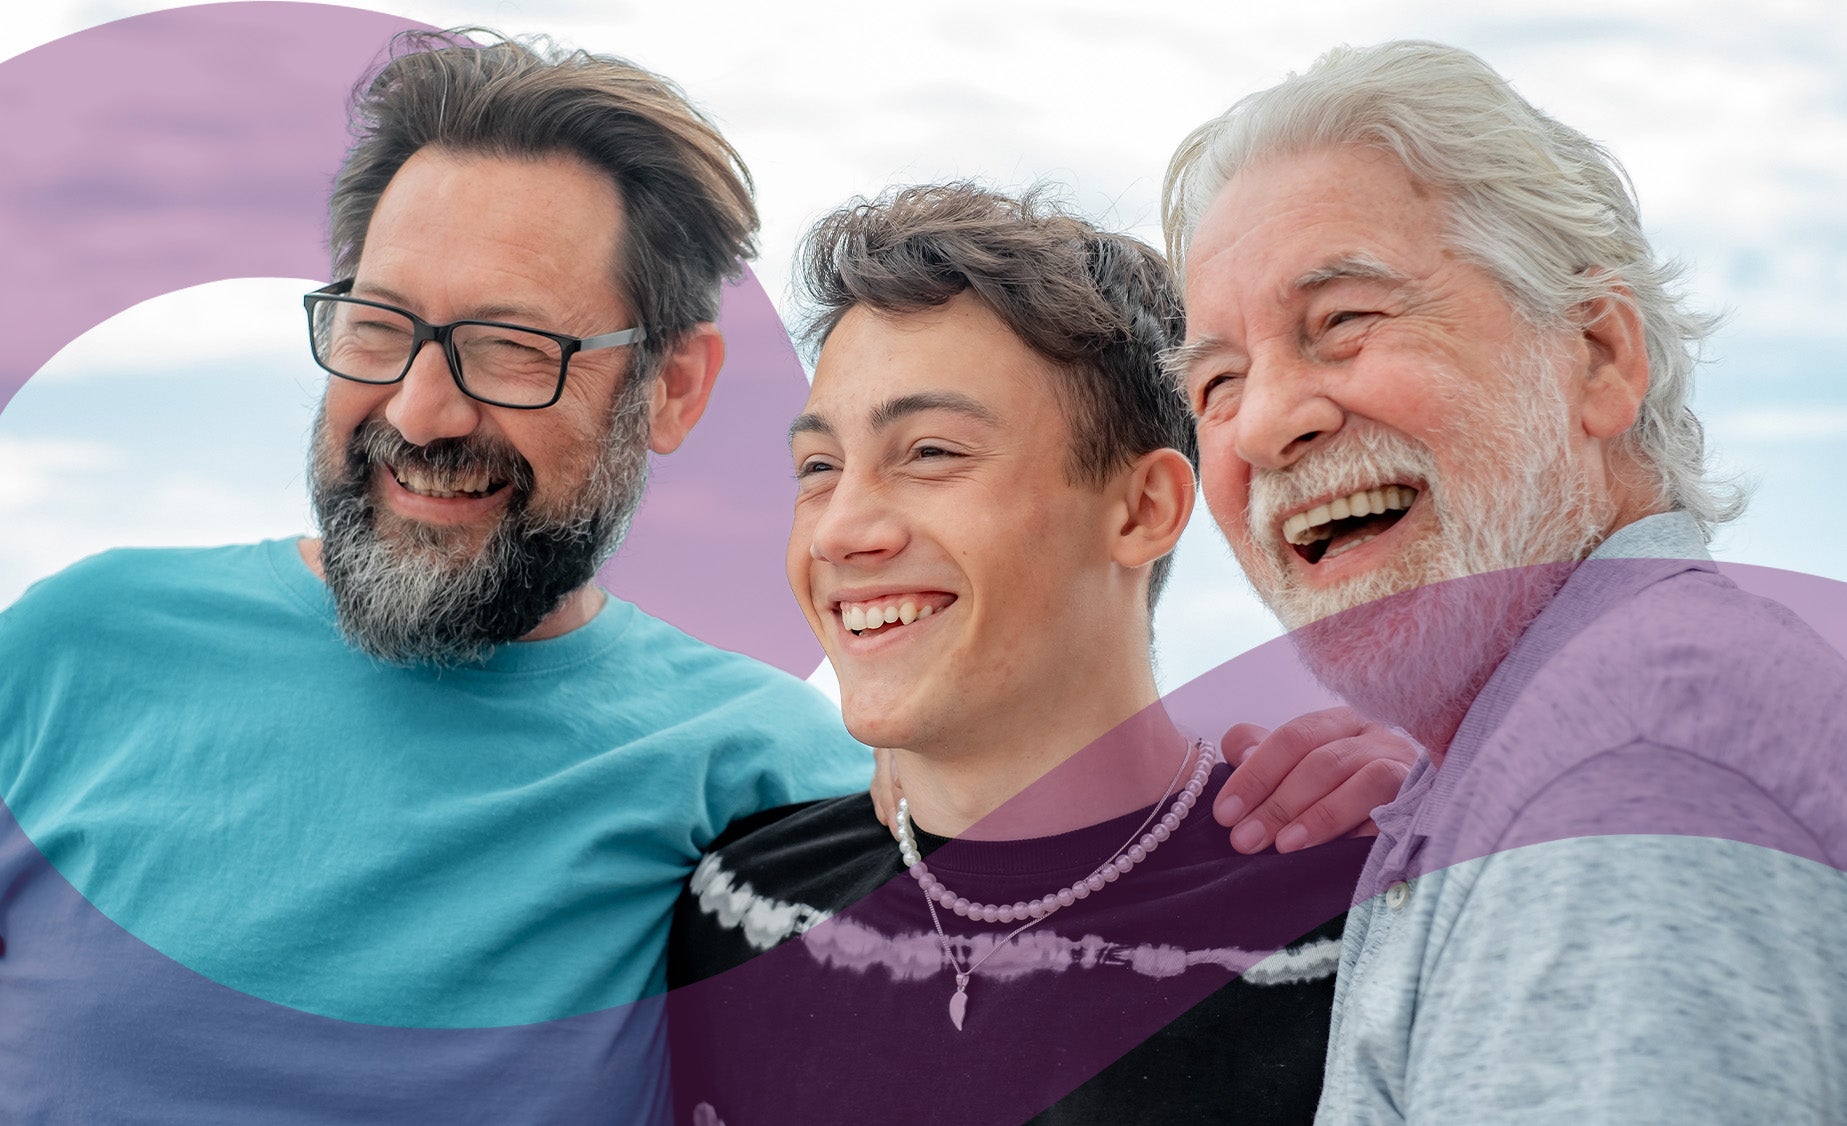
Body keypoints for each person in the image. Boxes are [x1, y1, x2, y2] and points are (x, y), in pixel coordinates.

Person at [0, 30, 870, 1122]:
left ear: (673, 388)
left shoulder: (772, 772)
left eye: (510, 348)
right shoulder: (69, 650)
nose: (419, 413)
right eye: (378, 326)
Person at [1163, 39, 1847, 1120]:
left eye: (1343, 321)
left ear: (1599, 357)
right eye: (1216, 381)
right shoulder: (1556, 743)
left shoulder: (1624, 766)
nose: (1265, 421)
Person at [667, 184, 1418, 1124]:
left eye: (931, 452)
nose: (840, 530)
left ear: (1142, 509)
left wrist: (1451, 797)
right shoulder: (736, 903)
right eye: (819, 468)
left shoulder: (1355, 921)